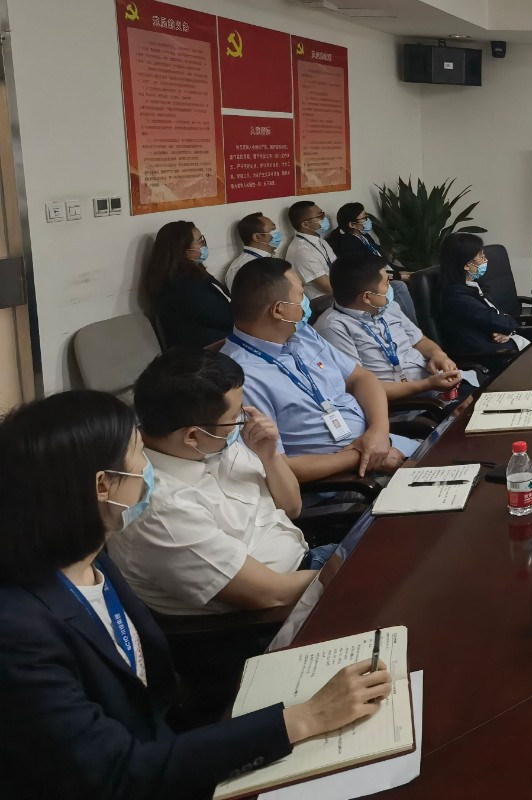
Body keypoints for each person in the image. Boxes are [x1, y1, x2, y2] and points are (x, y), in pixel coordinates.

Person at [0, 390, 392, 799]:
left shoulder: (91, 558)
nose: (149, 467)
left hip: (176, 750)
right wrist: (305, 719)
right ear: (104, 485)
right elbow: (117, 773)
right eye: (139, 453)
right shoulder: (18, 632)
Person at [106, 350, 331, 616]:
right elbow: (274, 595)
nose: (244, 421)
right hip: (280, 612)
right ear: (192, 436)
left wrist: (269, 456)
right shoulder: (162, 512)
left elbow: (292, 508)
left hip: (309, 562)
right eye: (235, 417)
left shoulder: (211, 442)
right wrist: (342, 565)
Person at [221, 258, 415, 482]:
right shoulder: (239, 377)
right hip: (345, 481)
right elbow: (278, 467)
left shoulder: (301, 333)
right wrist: (363, 455)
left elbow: (361, 378)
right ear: (278, 310)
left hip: (381, 443)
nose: (306, 302)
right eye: (300, 295)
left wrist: (378, 431)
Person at [315, 253, 465, 402]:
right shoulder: (333, 329)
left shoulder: (389, 307)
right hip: (409, 405)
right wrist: (428, 385)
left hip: (437, 388)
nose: (391, 287)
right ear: (367, 297)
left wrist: (438, 355)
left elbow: (419, 340)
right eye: (387, 283)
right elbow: (361, 388)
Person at [435, 232, 523, 367]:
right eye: (481, 257)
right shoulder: (457, 297)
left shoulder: (473, 285)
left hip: (504, 343)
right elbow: (497, 320)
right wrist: (507, 325)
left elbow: (498, 318)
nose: (485, 260)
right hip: (492, 354)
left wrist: (506, 328)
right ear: (466, 265)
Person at [145, 220, 232, 350]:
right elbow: (222, 316)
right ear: (182, 249)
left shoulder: (193, 273)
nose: (204, 245)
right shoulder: (182, 285)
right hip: (205, 352)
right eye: (200, 241)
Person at [328, 203, 418, 323]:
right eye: (364, 218)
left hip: (387, 273)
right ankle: (414, 324)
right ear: (352, 224)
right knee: (400, 285)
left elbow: (382, 260)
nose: (368, 220)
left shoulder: (364, 236)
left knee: (418, 274)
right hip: (375, 279)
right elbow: (368, 271)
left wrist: (399, 271)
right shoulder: (348, 244)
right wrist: (398, 276)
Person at [283, 199, 337, 303]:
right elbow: (326, 286)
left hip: (335, 292)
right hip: (320, 300)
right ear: (305, 224)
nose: (324, 218)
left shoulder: (320, 240)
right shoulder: (301, 250)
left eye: (322, 214)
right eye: (319, 216)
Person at [223, 211, 281, 291]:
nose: (278, 233)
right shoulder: (240, 268)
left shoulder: (270, 257)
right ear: (257, 237)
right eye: (273, 230)